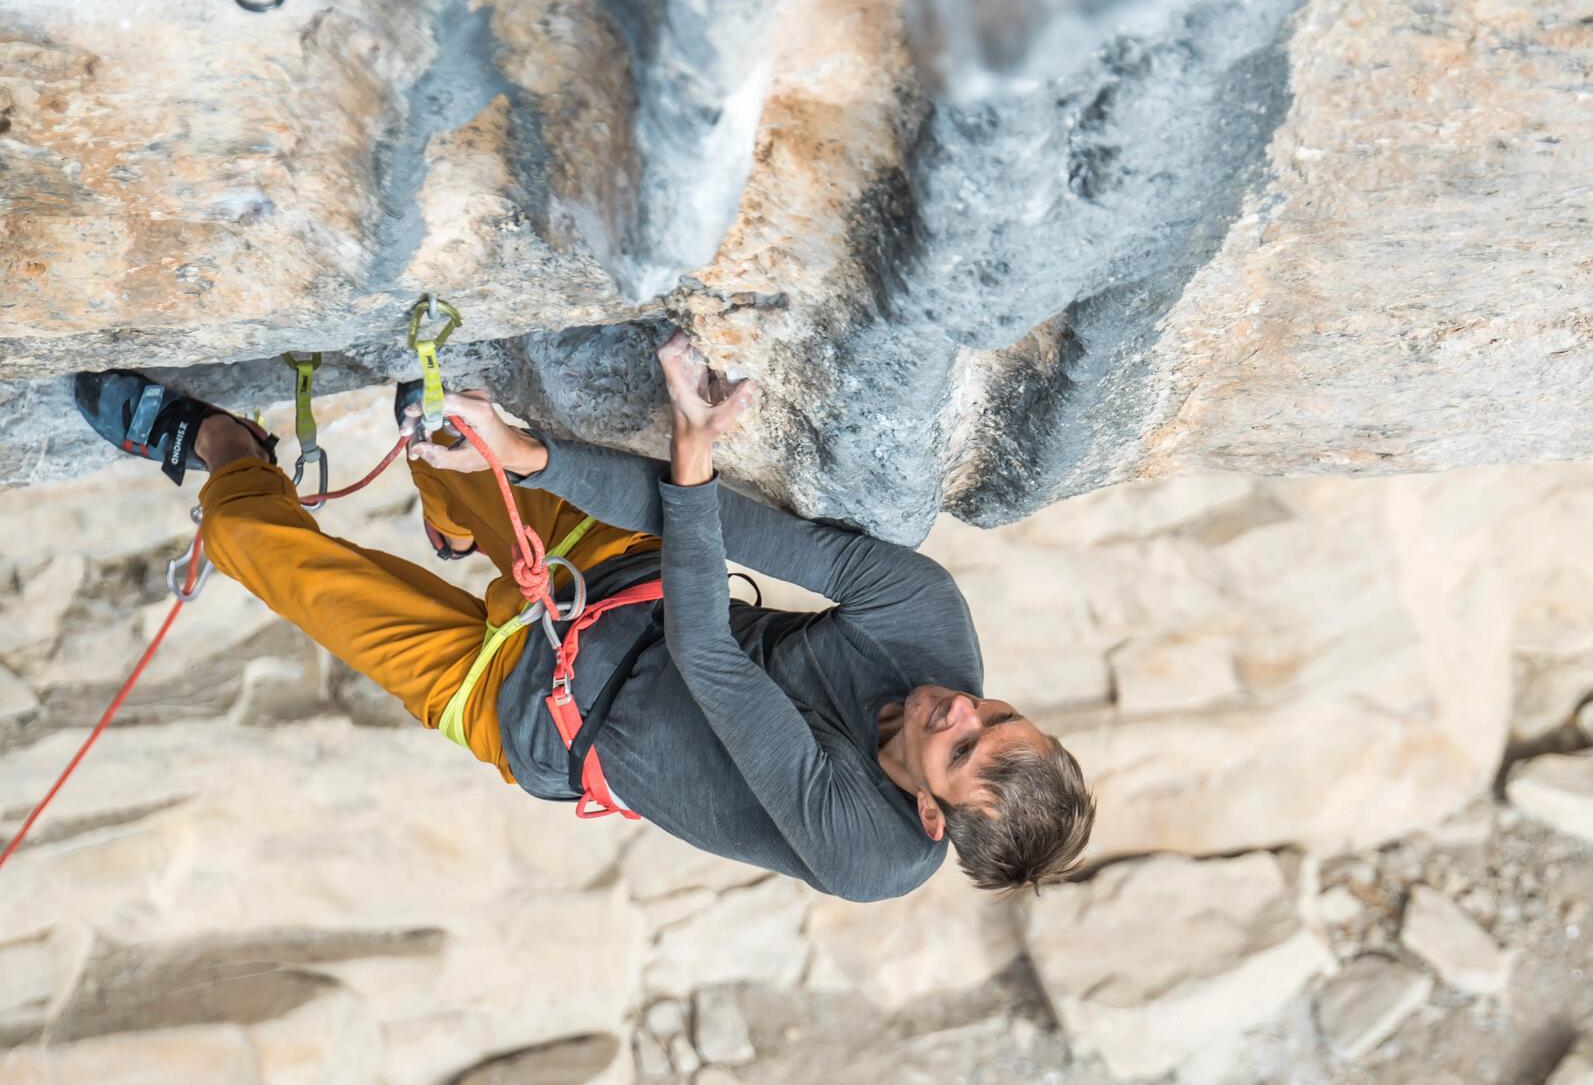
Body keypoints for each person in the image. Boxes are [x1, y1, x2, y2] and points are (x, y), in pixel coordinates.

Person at [74, 332, 1096, 900]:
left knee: (258, 547)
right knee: (447, 435)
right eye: (994, 712)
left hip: (532, 712)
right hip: (620, 579)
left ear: (931, 815)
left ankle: (211, 444)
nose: (955, 709)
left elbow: (715, 662)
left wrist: (687, 453)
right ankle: (461, 513)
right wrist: (532, 461)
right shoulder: (931, 622)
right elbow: (729, 527)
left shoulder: (869, 853)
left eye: (959, 753)